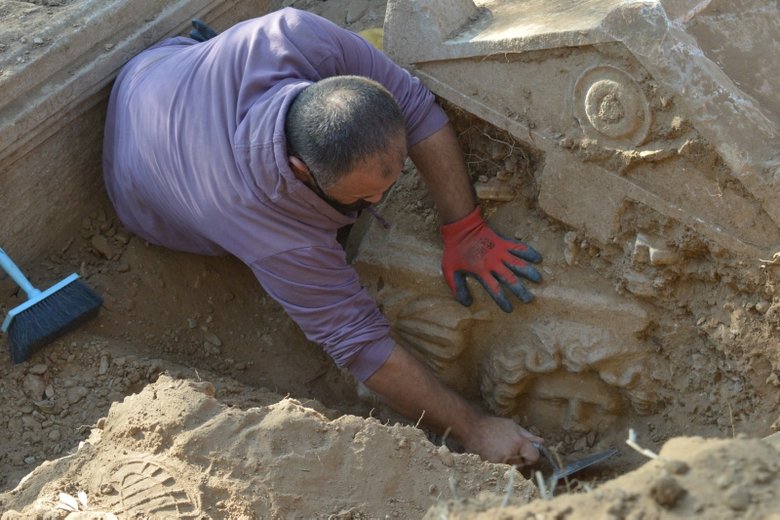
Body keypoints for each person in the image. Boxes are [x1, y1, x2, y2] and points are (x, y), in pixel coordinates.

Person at [103, 7, 544, 465]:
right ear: (300, 171)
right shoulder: (270, 230)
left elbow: (415, 107)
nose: (380, 202)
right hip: (140, 193)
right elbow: (358, 342)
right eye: (365, 196)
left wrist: (466, 228)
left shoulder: (295, 34)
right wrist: (473, 428)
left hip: (162, 65)